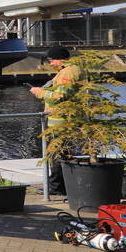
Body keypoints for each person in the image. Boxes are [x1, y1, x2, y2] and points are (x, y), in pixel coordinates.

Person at [30, 46, 82, 196]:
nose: (51, 63)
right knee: (59, 153)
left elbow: (61, 95)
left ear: (60, 59)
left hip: (62, 120)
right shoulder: (64, 71)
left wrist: (39, 92)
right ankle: (59, 185)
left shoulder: (69, 72)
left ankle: (56, 187)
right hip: (58, 120)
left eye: (52, 60)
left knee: (59, 154)